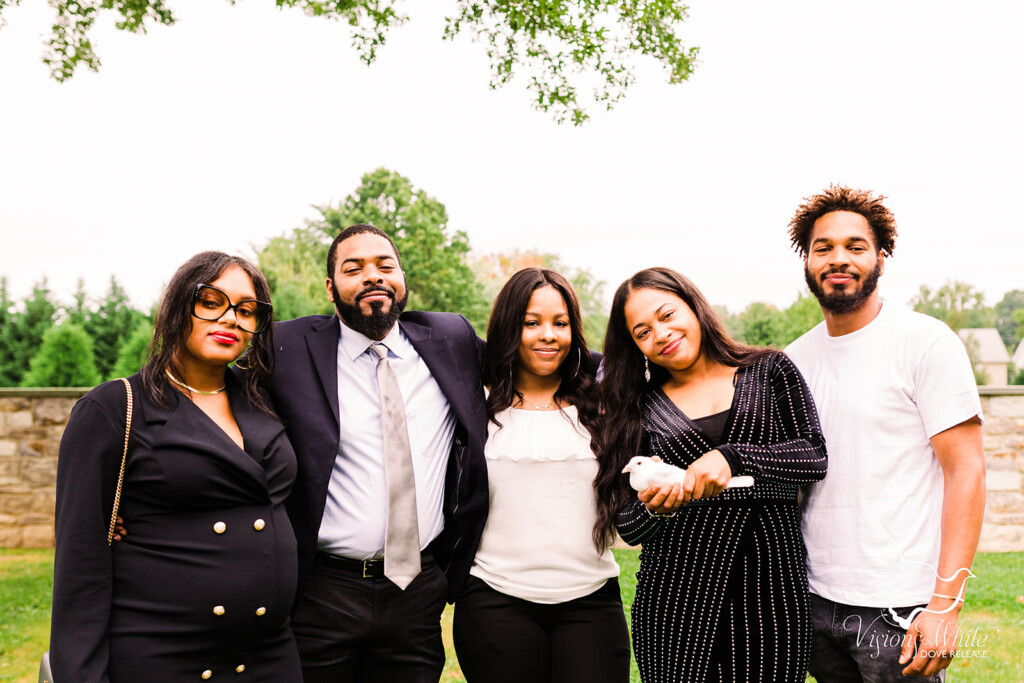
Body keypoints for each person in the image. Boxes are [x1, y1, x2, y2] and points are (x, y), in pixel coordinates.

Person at [50, 252, 300, 682]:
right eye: (211, 301)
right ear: (177, 305)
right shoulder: (113, 409)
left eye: (246, 310)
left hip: (269, 659)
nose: (230, 319)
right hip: (164, 658)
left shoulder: (265, 400)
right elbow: (80, 568)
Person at [264, 223, 488, 682]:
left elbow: (541, 360)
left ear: (403, 278)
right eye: (354, 268)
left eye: (385, 265)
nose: (373, 276)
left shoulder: (451, 338)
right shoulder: (285, 348)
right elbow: (205, 399)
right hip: (324, 590)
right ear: (331, 288)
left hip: (419, 588)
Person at [785, 185, 985, 681]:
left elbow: (967, 472)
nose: (838, 259)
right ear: (807, 260)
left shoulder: (925, 342)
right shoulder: (792, 361)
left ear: (881, 255)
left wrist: (945, 605)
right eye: (823, 247)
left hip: (898, 608)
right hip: (811, 598)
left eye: (855, 246)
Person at [597, 266, 828, 683]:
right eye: (642, 332)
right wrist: (660, 509)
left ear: (693, 306)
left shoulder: (770, 369)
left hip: (769, 593)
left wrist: (734, 457)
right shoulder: (638, 409)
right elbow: (627, 524)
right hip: (675, 601)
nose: (661, 334)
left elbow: (812, 456)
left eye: (667, 315)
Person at [452, 268, 630, 683]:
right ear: (508, 327)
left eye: (560, 323)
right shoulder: (473, 403)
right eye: (531, 323)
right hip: (494, 599)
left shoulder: (604, 402)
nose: (547, 335)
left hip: (591, 600)